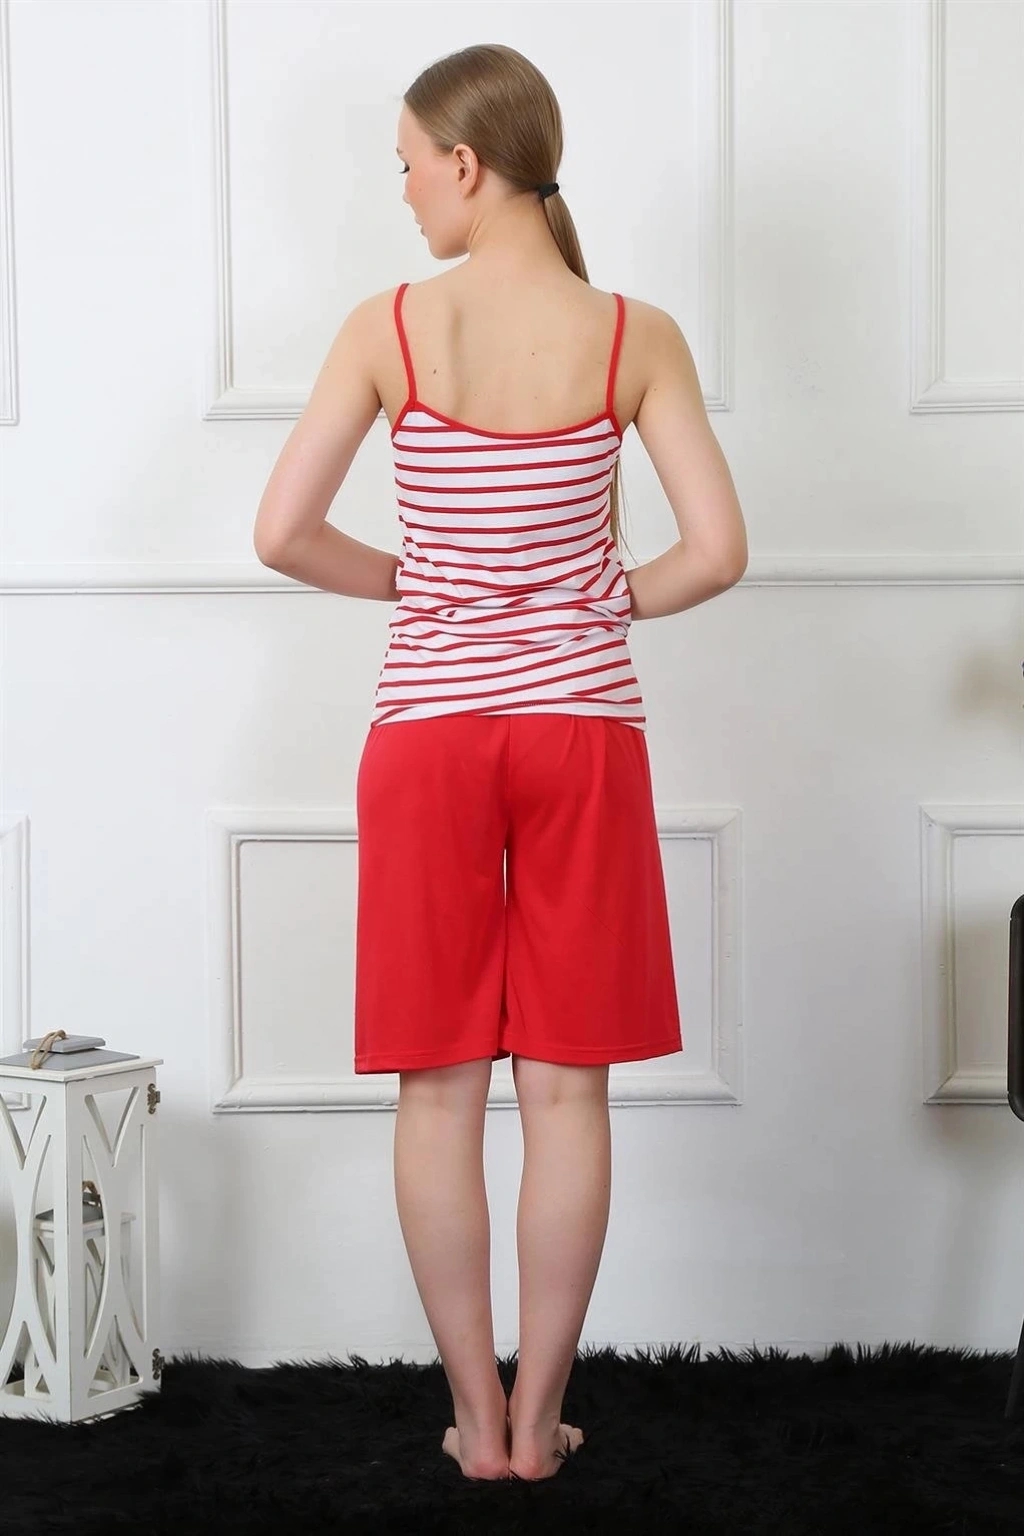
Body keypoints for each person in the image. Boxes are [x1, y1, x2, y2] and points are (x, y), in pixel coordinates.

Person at [253, 44, 747, 1485]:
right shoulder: (633, 333)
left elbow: (281, 534)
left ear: (466, 164)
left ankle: (474, 1423)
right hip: (583, 737)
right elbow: (718, 551)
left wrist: (421, 583)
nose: (406, 193)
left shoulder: (391, 329)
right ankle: (542, 1426)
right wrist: (600, 603)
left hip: (429, 742)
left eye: (410, 166)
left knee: (438, 1093)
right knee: (570, 1092)